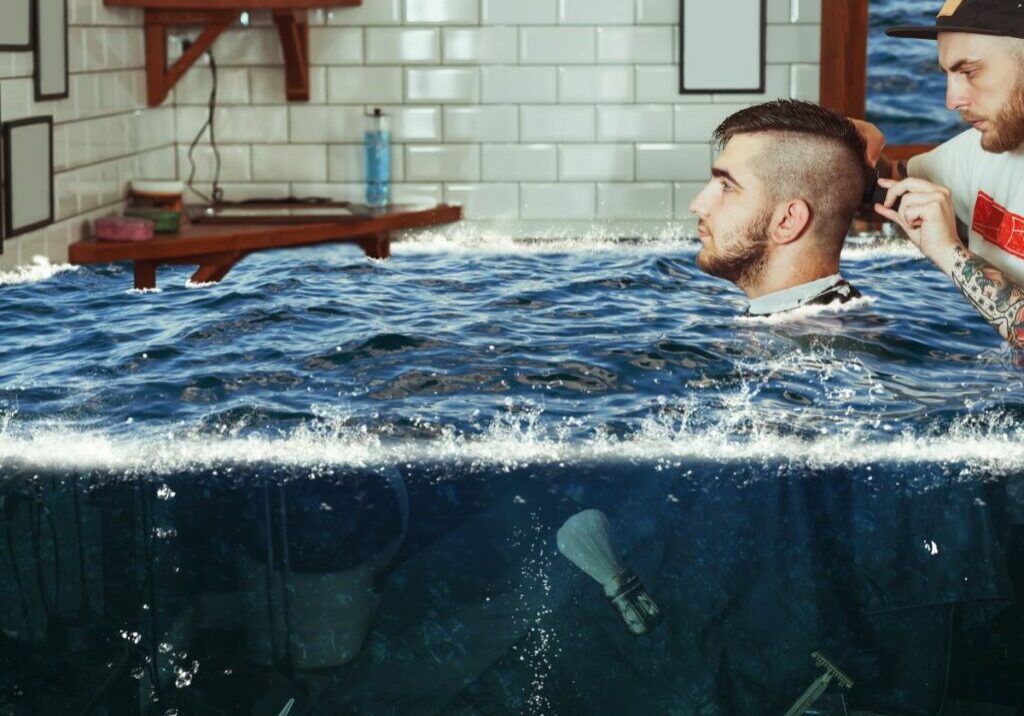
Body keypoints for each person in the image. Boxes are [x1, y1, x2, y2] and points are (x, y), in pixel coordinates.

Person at [865, 0, 1024, 347]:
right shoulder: (980, 151)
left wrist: (950, 252)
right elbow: (889, 187)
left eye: (968, 72)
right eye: (947, 75)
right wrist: (849, 142)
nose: (952, 101)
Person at [689, 99, 871, 316]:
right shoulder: (808, 322)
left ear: (787, 221)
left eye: (727, 186)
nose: (697, 205)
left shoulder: (821, 339)